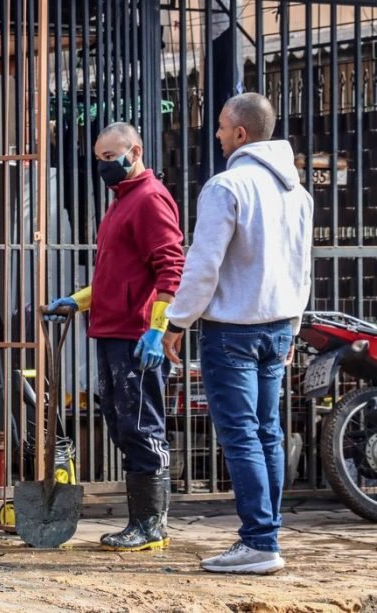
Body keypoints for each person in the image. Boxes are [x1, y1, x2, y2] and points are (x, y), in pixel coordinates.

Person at [162, 93, 313, 575]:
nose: (219, 134)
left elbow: (203, 265)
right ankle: (266, 536)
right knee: (266, 433)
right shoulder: (298, 192)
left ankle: (258, 541)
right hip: (277, 327)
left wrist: (177, 320)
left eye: (223, 127)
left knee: (242, 435)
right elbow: (301, 267)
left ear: (241, 133)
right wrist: (292, 325)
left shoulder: (226, 186)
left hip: (232, 332)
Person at [44, 122, 185, 552]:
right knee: (124, 425)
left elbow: (171, 269)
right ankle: (141, 522)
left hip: (135, 336)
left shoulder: (149, 200)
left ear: (135, 151)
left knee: (142, 427)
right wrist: (79, 300)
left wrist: (158, 330)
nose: (103, 166)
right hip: (111, 331)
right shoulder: (121, 202)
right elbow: (119, 275)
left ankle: (150, 526)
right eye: (99, 159)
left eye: (110, 157)